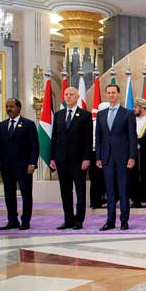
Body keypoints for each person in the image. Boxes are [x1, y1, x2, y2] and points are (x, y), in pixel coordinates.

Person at [95, 84, 137, 231]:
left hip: (123, 158)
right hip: (106, 157)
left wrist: (132, 157)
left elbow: (132, 137)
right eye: (108, 92)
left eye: (113, 92)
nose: (111, 95)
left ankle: (124, 220)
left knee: (123, 189)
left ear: (118, 94)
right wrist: (98, 157)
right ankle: (110, 221)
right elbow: (98, 137)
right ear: (106, 95)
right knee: (110, 190)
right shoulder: (101, 114)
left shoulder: (128, 113)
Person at [0, 98, 39, 230]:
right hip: (6, 166)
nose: (9, 109)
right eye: (7, 106)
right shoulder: (2, 125)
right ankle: (12, 220)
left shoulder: (28, 124)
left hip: (24, 166)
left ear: (19, 108)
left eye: (11, 106)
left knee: (26, 194)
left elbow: (34, 146)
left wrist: (32, 163)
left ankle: (25, 220)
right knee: (9, 194)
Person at [51, 87, 93, 230]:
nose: (68, 97)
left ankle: (79, 220)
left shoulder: (85, 115)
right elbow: (54, 139)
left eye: (71, 95)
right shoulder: (58, 115)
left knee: (80, 191)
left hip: (79, 160)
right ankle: (68, 219)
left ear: (77, 96)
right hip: (61, 160)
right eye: (66, 95)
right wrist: (52, 158)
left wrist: (87, 158)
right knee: (65, 191)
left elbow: (88, 140)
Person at [89, 101, 109, 209]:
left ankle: (98, 200)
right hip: (96, 152)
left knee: (98, 178)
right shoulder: (94, 122)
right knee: (97, 178)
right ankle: (97, 200)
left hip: (100, 152)